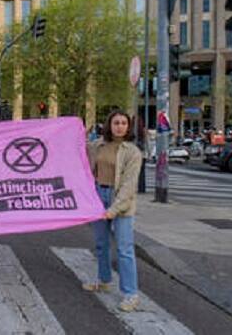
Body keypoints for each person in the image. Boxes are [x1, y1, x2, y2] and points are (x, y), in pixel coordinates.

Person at [84, 110, 143, 312]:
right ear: (109, 125)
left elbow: (129, 185)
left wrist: (114, 209)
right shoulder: (97, 145)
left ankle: (130, 294)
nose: (119, 126)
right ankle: (104, 280)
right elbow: (77, 152)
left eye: (123, 123)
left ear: (128, 127)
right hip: (98, 196)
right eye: (116, 122)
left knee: (124, 249)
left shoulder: (132, 152)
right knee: (101, 244)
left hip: (121, 202)